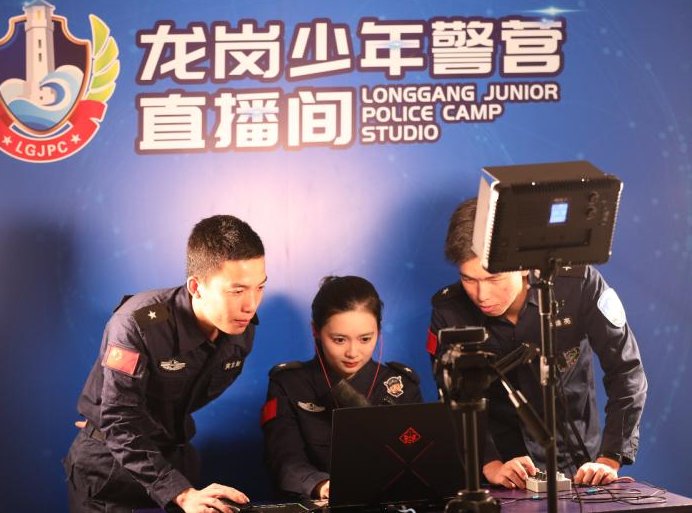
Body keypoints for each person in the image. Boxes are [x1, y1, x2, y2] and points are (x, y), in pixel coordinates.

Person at [428, 198, 647, 490]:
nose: (481, 295)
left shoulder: (579, 283)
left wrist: (609, 459)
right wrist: (489, 464)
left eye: (494, 278)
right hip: (502, 472)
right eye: (469, 279)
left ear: (523, 266)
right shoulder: (449, 311)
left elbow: (626, 372)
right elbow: (453, 398)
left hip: (580, 465)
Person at [63, 215, 267, 513]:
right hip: (109, 470)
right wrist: (180, 492)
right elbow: (119, 420)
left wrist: (143, 425)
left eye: (259, 287)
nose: (251, 304)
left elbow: (184, 397)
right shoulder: (136, 324)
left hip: (173, 459)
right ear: (196, 287)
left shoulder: (240, 328)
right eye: (237, 291)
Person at [261, 276, 423, 500]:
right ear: (315, 330)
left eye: (365, 339)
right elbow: (284, 459)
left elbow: (418, 460)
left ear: (379, 330)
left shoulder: (402, 386)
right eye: (339, 340)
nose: (353, 353)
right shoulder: (289, 384)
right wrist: (321, 485)